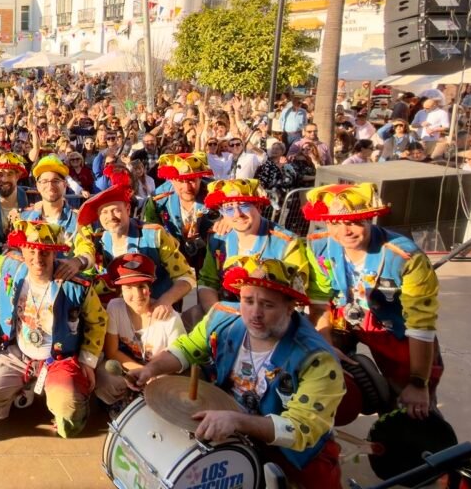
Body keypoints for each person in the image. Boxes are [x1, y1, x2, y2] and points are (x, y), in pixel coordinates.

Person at [127, 256, 345, 487]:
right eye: (248, 300)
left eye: (267, 305)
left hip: (292, 454)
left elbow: (301, 428)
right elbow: (187, 348)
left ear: (290, 307)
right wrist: (150, 369)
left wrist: (238, 421)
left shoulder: (317, 359)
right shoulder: (222, 317)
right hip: (229, 433)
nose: (255, 313)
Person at [0, 220, 106, 438]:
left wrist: (87, 360)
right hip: (20, 354)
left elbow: (98, 320)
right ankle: (25, 389)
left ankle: (61, 402)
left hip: (60, 359)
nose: (37, 258)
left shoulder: (75, 285)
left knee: (69, 412)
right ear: (23, 250)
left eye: (44, 252)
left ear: (54, 253)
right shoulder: (13, 269)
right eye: (31, 250)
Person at [303, 183, 443, 420]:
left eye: (354, 221)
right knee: (312, 366)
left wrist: (419, 383)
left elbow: (421, 325)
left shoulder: (406, 257)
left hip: (395, 328)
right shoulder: (318, 245)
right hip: (342, 320)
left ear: (370, 218)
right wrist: (325, 349)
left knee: (411, 408)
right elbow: (319, 304)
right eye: (335, 222)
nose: (345, 231)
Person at [198, 179, 317, 318]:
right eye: (229, 208)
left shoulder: (287, 243)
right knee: (193, 314)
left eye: (244, 205)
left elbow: (297, 290)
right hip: (229, 315)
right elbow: (207, 282)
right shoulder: (218, 240)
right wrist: (217, 315)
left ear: (259, 206)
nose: (237, 214)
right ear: (222, 213)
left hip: (271, 317)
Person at [76, 181, 194, 311]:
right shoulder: (99, 241)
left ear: (128, 209)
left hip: (157, 309)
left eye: (116, 210)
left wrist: (164, 302)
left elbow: (185, 276)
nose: (110, 217)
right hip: (121, 312)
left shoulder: (154, 235)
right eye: (104, 212)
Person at [94, 253, 186, 414]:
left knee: (170, 390)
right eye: (129, 288)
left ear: (150, 288)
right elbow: (112, 351)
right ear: (120, 290)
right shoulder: (115, 307)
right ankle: (123, 401)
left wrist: (151, 374)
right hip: (131, 367)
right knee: (104, 376)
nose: (137, 295)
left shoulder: (171, 318)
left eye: (141, 286)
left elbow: (179, 359)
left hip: (162, 372)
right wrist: (141, 372)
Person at [140, 153, 215, 273]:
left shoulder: (216, 195)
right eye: (180, 181)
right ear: (171, 180)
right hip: (174, 264)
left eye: (191, 180)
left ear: (200, 177)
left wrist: (227, 221)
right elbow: (149, 234)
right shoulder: (158, 201)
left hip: (211, 263)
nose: (187, 187)